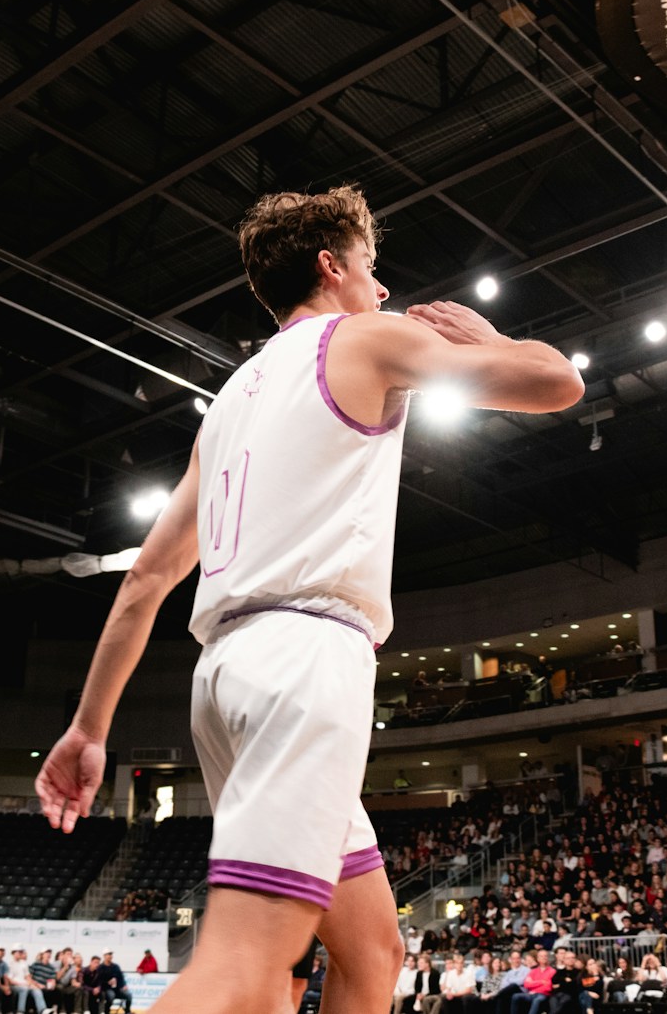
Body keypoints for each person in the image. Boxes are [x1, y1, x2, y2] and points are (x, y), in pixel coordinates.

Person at [35, 183, 583, 1014]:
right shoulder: (364, 338)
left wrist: (88, 727)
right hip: (304, 657)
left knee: (371, 949)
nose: (384, 288)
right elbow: (557, 383)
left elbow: (147, 579)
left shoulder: (227, 406)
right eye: (371, 265)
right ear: (331, 266)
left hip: (222, 679)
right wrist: (495, 337)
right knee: (241, 971)